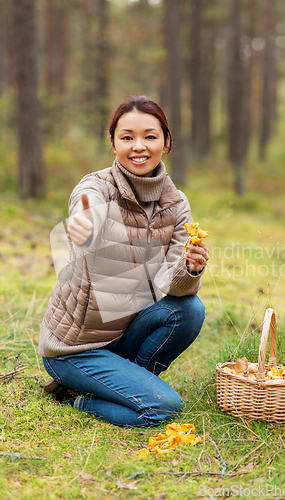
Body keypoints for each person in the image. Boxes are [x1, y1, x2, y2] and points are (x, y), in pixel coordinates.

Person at [39, 95, 209, 428]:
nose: (138, 146)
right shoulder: (96, 187)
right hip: (75, 349)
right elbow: (86, 210)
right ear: (113, 143)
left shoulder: (176, 203)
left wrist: (190, 268)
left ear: (166, 142)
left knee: (190, 310)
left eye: (150, 136)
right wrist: (83, 225)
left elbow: (171, 287)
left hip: (122, 335)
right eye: (127, 137)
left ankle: (126, 381)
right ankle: (75, 396)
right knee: (164, 409)